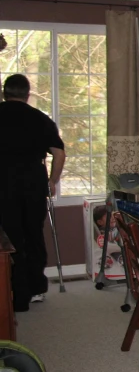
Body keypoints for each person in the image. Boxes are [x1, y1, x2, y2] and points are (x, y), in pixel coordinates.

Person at [0, 73, 66, 312]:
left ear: (4, 93)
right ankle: (35, 288)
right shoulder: (40, 118)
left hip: (3, 182)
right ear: (27, 94)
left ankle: (11, 291)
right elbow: (58, 153)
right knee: (33, 235)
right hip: (33, 181)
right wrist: (52, 181)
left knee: (9, 238)